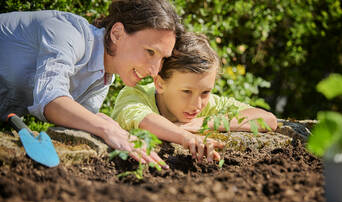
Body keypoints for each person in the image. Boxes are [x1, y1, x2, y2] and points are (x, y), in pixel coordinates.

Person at [0, 0, 184, 167]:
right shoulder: (67, 33)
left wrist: (111, 126)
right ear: (117, 33)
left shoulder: (103, 78)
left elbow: (77, 117)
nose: (154, 70)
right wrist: (107, 128)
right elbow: (51, 100)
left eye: (162, 59)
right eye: (150, 52)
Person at [111, 32, 278, 163]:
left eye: (205, 92)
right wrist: (185, 136)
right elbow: (146, 121)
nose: (197, 104)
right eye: (186, 92)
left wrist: (201, 123)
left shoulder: (208, 105)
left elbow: (267, 119)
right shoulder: (134, 94)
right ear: (160, 84)